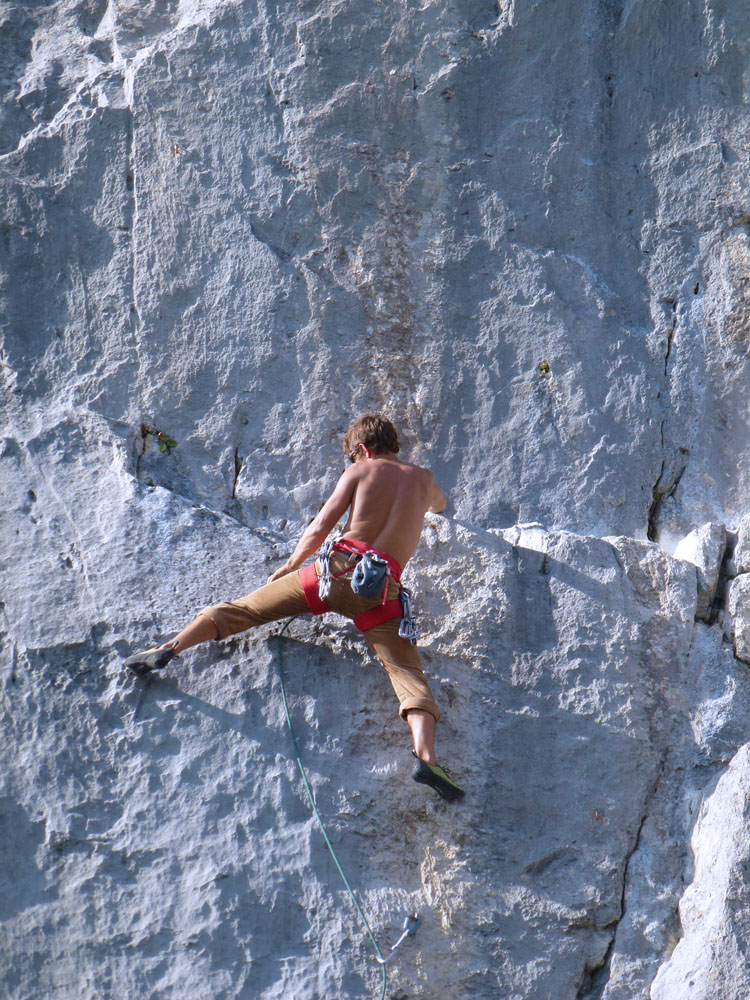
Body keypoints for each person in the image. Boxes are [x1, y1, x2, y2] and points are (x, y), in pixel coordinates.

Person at [125, 414, 464, 801]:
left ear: (364, 450)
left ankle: (170, 648)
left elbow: (322, 525)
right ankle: (426, 757)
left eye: (353, 455)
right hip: (381, 589)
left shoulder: (361, 471)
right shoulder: (422, 478)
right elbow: (439, 504)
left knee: (244, 610)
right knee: (408, 675)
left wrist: (290, 565)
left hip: (332, 574)